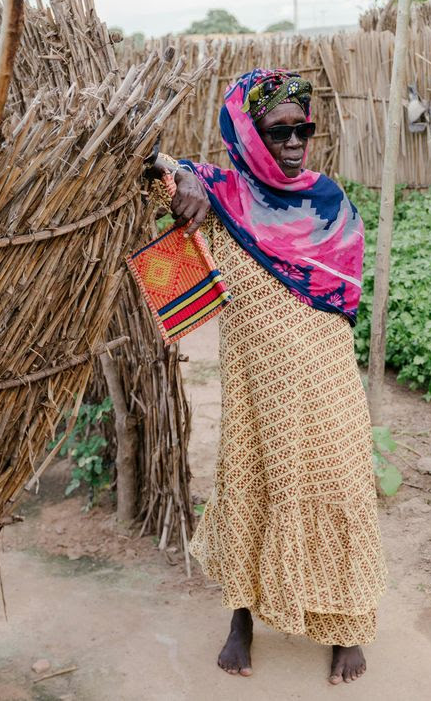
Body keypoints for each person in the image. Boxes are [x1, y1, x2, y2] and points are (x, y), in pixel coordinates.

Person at [148, 68, 386, 685]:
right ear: (249, 134)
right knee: (252, 480)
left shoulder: (329, 199)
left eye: (303, 128)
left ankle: (348, 625)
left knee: (338, 478)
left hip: (327, 374)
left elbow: (343, 287)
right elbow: (151, 170)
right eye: (278, 130)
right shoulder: (221, 198)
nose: (294, 141)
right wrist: (191, 180)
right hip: (256, 387)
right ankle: (242, 619)